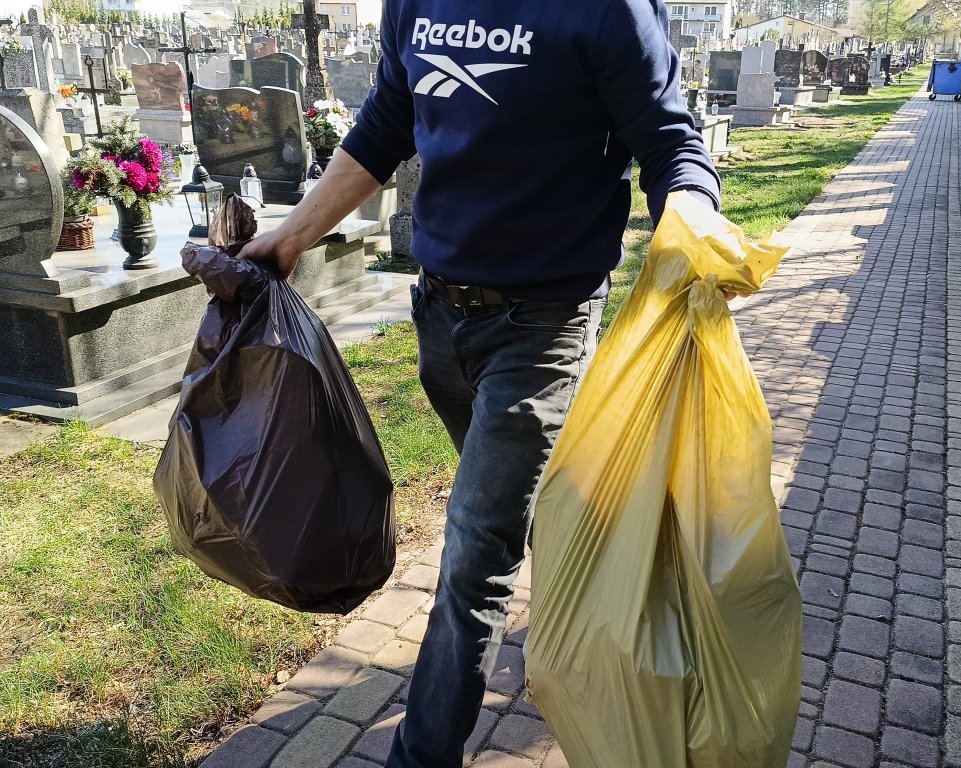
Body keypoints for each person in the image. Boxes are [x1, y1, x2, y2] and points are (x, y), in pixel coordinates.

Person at [239, 1, 722, 765]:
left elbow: (668, 143)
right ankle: (608, 604)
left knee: (474, 557)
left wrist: (695, 227)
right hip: (440, 318)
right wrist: (292, 236)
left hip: (545, 327)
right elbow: (385, 123)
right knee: (529, 514)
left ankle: (421, 756)